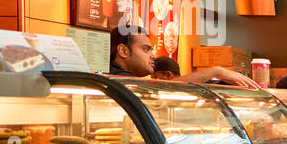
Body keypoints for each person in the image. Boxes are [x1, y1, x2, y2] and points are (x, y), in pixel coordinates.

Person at [108, 25, 259, 88]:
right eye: (146, 49)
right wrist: (215, 71)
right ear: (123, 51)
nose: (153, 56)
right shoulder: (116, 80)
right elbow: (163, 89)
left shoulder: (126, 80)